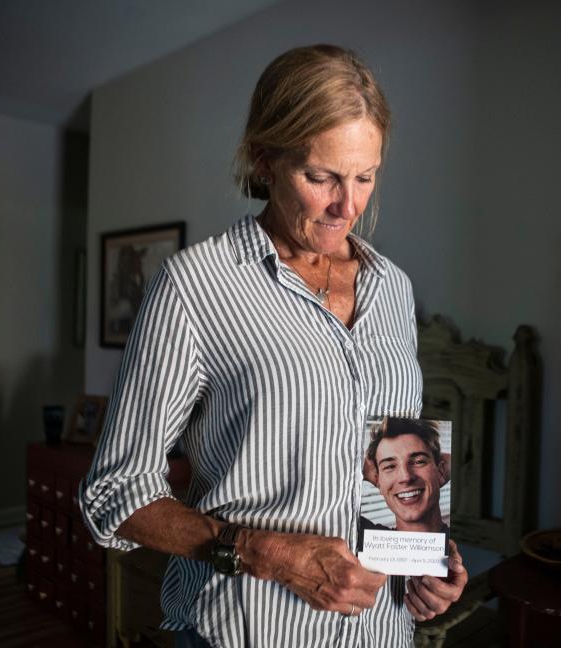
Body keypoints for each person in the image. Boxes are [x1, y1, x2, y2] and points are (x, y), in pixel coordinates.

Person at [79, 44, 466, 648]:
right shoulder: (195, 285)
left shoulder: (393, 288)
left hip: (381, 634)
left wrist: (424, 555)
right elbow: (114, 493)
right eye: (322, 177)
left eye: (366, 177)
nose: (348, 207)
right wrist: (265, 552)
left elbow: (389, 461)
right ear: (264, 160)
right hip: (247, 631)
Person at [361, 418, 448, 533]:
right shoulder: (362, 538)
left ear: (441, 471)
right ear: (377, 481)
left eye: (418, 461)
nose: (405, 477)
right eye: (390, 466)